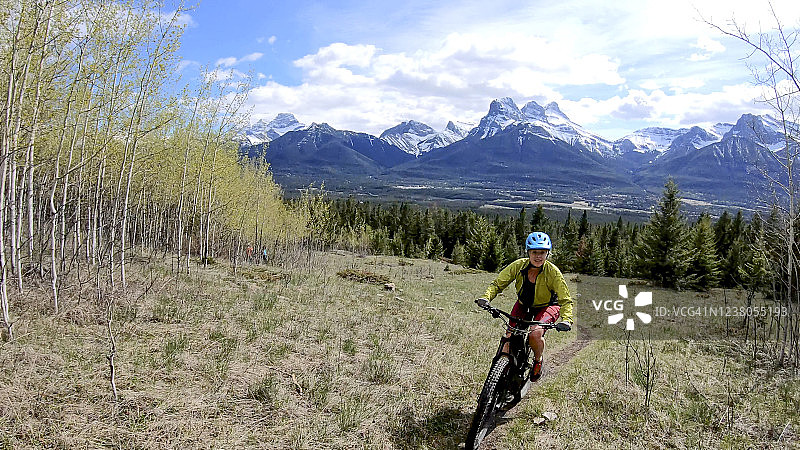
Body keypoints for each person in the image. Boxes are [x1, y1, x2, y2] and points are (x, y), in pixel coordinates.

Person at [476, 231, 573, 381]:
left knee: (535, 333)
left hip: (547, 306)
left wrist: (566, 320)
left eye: (542, 252)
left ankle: (538, 361)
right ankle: (498, 378)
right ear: (528, 252)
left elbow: (565, 299)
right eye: (534, 252)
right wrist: (486, 298)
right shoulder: (518, 266)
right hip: (523, 304)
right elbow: (498, 284)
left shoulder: (553, 272)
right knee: (509, 337)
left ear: (547, 253)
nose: (538, 256)